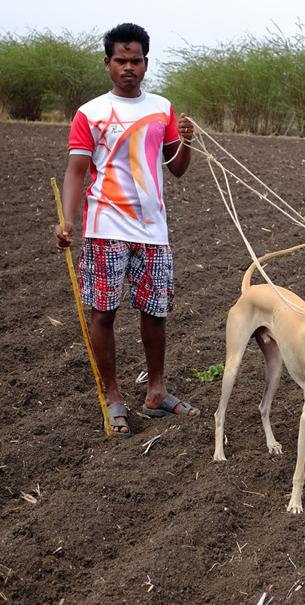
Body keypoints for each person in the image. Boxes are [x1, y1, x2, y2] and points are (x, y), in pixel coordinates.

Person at [54, 22, 199, 435]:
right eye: (121, 60)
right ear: (108, 63)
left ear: (146, 63)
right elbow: (75, 171)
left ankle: (156, 393)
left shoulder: (163, 109)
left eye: (136, 60)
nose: (129, 66)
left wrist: (185, 140)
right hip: (105, 226)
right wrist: (68, 220)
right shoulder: (91, 113)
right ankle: (114, 396)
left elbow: (178, 170)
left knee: (155, 313)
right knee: (104, 312)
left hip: (153, 229)